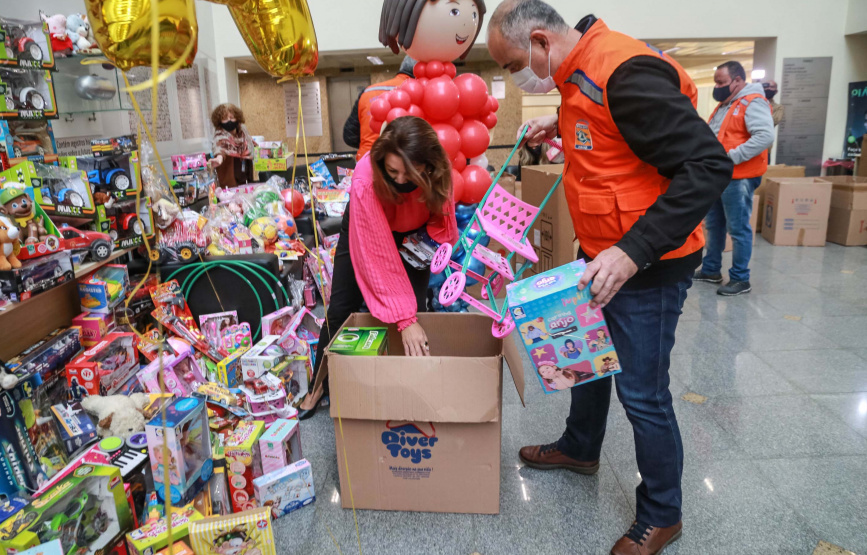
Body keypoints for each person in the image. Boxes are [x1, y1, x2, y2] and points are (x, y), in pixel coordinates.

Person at [486, 2, 733, 553]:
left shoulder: (624, 74)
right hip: (601, 251)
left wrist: (631, 253)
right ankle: (581, 446)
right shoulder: (580, 74)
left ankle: (663, 513)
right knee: (584, 358)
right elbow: (614, 140)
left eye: (510, 65)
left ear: (542, 43)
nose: (513, 77)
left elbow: (708, 166)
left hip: (646, 263)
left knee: (643, 393)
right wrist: (560, 122)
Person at [299, 116, 458, 417]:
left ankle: (406, 383)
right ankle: (318, 387)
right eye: (392, 171)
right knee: (340, 308)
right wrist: (403, 317)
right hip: (363, 227)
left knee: (416, 306)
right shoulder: (365, 177)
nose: (399, 180)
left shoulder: (439, 170)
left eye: (409, 173)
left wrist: (428, 245)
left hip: (412, 234)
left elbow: (443, 215)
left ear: (428, 164)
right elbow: (376, 255)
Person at [694, 62, 775, 297]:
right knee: (714, 225)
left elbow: (765, 136)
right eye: (716, 82)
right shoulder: (725, 105)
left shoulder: (753, 102)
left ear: (738, 81)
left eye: (721, 82)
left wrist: (730, 158)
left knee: (738, 229)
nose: (717, 87)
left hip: (738, 177)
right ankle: (711, 270)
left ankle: (741, 279)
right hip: (718, 176)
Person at [343, 56, 417, 160]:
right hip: (401, 163)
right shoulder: (418, 94)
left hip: (366, 160)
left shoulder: (367, 91)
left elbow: (349, 136)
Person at [208, 103, 254, 187]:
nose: (229, 121)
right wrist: (219, 159)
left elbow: (251, 144)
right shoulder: (220, 134)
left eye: (232, 117)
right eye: (225, 119)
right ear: (219, 121)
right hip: (230, 180)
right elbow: (220, 148)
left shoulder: (243, 131)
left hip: (245, 174)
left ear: (237, 118)